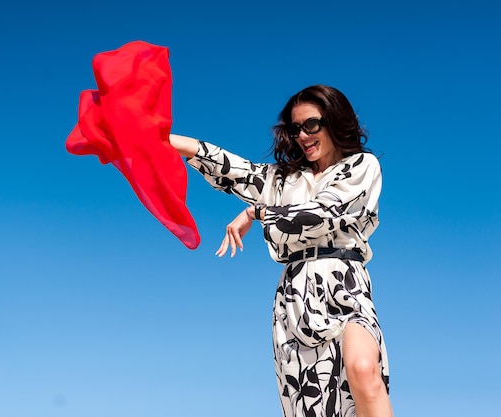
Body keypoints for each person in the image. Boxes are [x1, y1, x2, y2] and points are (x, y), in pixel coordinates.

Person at [169, 85, 394, 417]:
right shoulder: (282, 181)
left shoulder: (362, 166)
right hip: (295, 299)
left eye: (312, 124)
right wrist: (149, 137)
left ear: (334, 121)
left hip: (344, 286)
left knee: (364, 371)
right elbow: (227, 166)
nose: (303, 135)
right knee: (313, 408)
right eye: (295, 128)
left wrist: (258, 212)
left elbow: (323, 214)